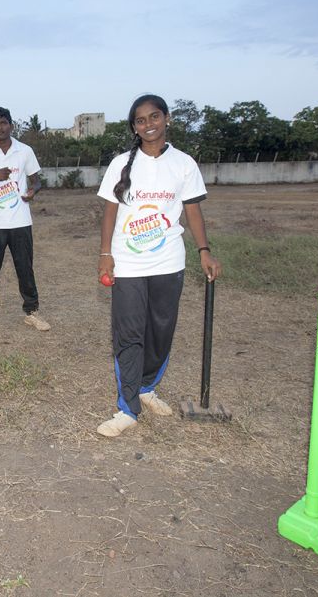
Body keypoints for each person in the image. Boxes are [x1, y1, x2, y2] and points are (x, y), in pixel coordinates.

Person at [96, 94, 221, 437]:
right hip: (128, 264)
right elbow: (109, 211)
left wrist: (204, 250)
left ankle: (147, 387)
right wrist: (105, 253)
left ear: (167, 119)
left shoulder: (183, 163)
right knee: (129, 334)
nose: (148, 124)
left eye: (154, 117)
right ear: (134, 127)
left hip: (168, 262)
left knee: (161, 331)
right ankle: (127, 408)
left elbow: (193, 209)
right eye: (140, 120)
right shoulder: (122, 163)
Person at [0, 107, 50, 331]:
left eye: (4, 123)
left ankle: (32, 312)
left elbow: (37, 180)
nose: (0, 127)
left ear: (11, 125)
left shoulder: (24, 151)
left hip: (20, 222)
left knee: (25, 268)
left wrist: (34, 191)